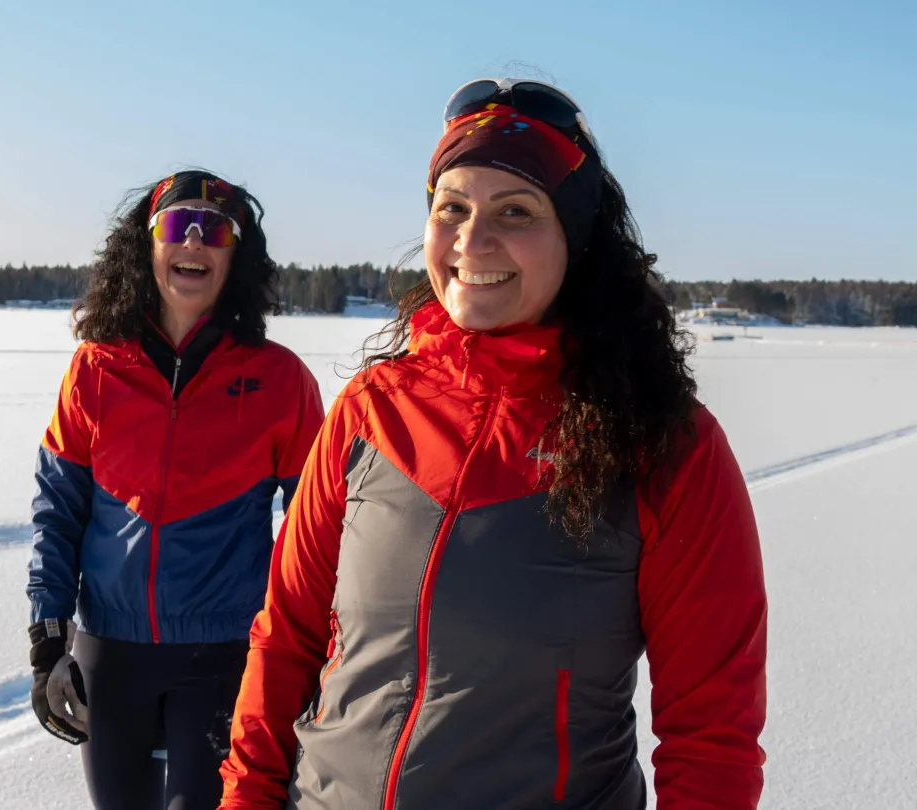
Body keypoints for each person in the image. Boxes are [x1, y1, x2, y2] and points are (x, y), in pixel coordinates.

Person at [219, 80, 768, 809]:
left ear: (576, 238)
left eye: (516, 212)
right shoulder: (371, 411)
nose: (472, 243)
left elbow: (711, 736)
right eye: (452, 209)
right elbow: (286, 638)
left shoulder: (665, 445)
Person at [27, 170, 325, 810]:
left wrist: (313, 655)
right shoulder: (95, 369)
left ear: (234, 255)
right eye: (176, 225)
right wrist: (48, 637)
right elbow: (58, 512)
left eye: (214, 230)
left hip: (224, 656)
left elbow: (317, 533)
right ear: (148, 245)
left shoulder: (280, 380)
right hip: (110, 654)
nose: (194, 241)